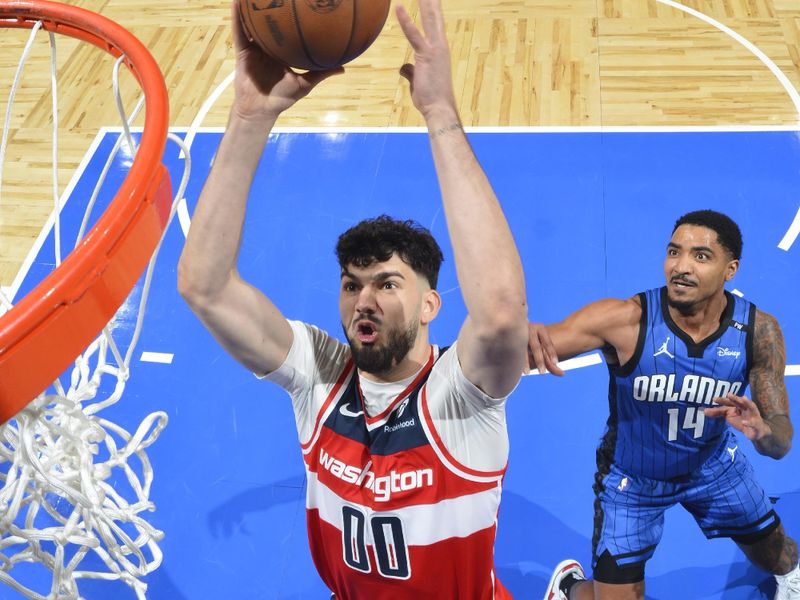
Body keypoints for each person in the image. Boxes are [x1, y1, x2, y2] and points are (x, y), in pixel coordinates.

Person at [177, 0, 528, 597]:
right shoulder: (319, 375)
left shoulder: (459, 398)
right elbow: (203, 286)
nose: (363, 300)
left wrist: (440, 112)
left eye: (388, 284)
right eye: (351, 285)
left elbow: (498, 313)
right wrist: (249, 116)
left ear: (429, 306)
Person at [529, 210, 800, 600]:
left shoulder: (759, 331)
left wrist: (763, 432)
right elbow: (530, 349)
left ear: (731, 269)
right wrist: (461, 352)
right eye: (674, 252)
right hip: (632, 480)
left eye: (701, 256)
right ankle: (569, 587)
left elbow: (781, 442)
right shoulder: (627, 320)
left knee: (780, 555)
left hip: (715, 469)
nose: (681, 267)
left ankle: (790, 576)